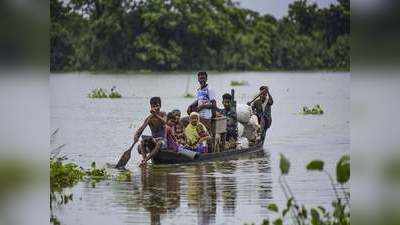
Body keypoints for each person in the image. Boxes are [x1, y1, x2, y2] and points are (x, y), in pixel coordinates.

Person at [133, 97, 167, 166]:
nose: (155, 108)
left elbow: (164, 122)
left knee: (159, 143)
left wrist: (155, 115)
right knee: (142, 142)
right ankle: (144, 160)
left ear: (160, 106)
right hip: (154, 140)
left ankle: (145, 160)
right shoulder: (149, 118)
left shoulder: (163, 114)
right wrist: (136, 135)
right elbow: (141, 129)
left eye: (157, 106)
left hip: (162, 140)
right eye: (153, 106)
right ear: (151, 107)